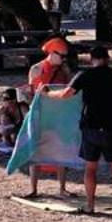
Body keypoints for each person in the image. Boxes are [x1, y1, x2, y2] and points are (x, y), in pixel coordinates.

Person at [46, 44, 112, 213]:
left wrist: (47, 93)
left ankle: (90, 205)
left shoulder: (85, 75)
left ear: (91, 59)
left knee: (90, 167)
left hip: (90, 126)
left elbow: (65, 94)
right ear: (107, 59)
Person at [24, 38, 72, 198]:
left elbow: (70, 90)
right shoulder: (36, 69)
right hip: (40, 112)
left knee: (61, 150)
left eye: (66, 56)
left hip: (59, 114)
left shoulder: (64, 70)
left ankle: (62, 188)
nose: (64, 59)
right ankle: (33, 188)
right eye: (62, 56)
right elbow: (30, 93)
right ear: (52, 53)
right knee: (36, 150)